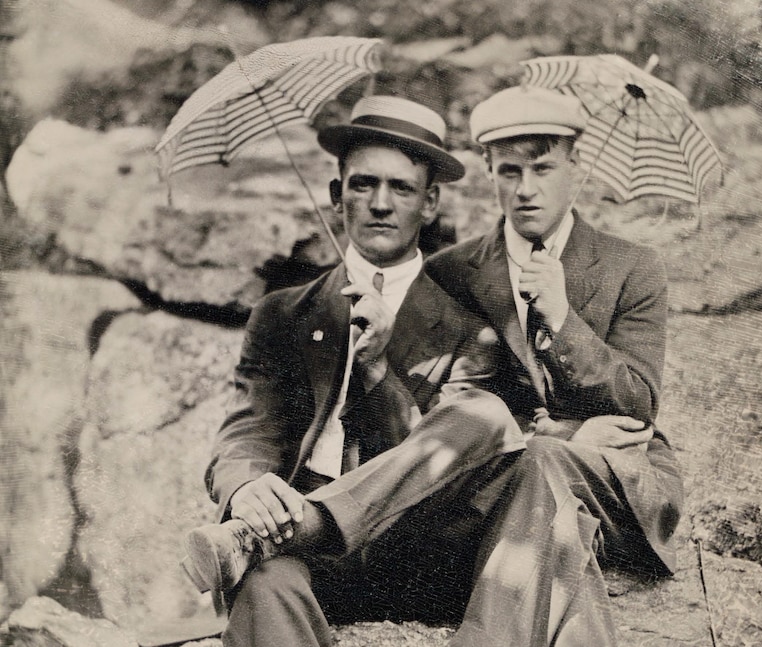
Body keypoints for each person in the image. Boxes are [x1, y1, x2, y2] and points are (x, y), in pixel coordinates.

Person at [182, 96, 526, 647]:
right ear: (336, 195)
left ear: (430, 203)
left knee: (482, 416)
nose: (381, 204)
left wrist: (376, 370)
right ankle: (271, 535)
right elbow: (249, 427)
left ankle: (285, 530)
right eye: (363, 184)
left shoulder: (472, 328)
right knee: (263, 579)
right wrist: (246, 489)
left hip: (419, 557)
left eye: (403, 189)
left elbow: (443, 473)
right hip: (306, 557)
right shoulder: (283, 313)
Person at [425, 85, 685, 645]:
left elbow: (639, 403)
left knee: (546, 459)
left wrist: (563, 318)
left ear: (577, 169)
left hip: (623, 484)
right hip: (505, 480)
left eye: (543, 168)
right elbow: (452, 406)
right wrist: (567, 433)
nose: (526, 189)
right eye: (509, 171)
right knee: (547, 476)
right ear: (488, 172)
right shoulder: (451, 272)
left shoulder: (633, 266)